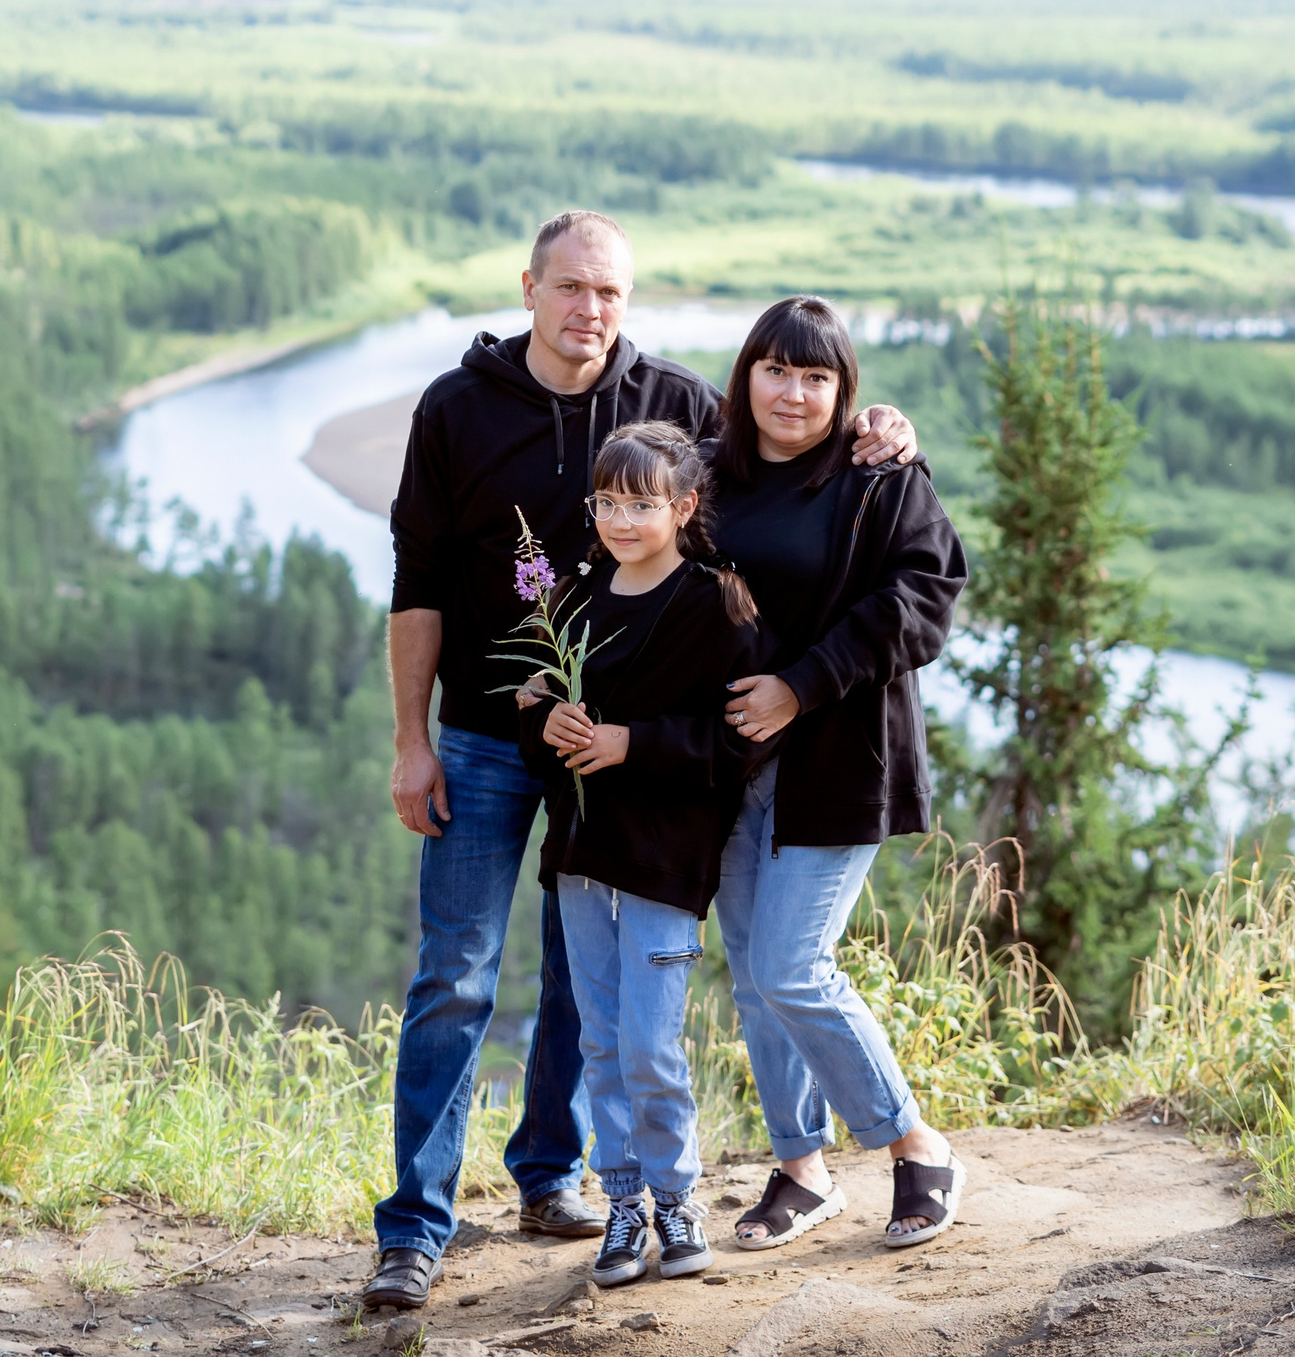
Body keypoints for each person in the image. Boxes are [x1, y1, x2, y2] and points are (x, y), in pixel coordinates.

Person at [366, 215, 918, 1311]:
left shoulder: (677, 406)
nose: (590, 309)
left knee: (589, 983)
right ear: (529, 287)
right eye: (570, 287)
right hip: (487, 735)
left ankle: (554, 1179)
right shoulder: (456, 408)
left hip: (620, 759)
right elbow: (417, 577)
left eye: (609, 291)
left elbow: (785, 449)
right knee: (456, 976)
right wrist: (412, 739)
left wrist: (882, 427)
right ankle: (416, 1229)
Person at [707, 295, 972, 1254]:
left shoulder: (879, 478)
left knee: (791, 965)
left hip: (840, 758)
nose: (793, 392)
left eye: (816, 377)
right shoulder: (709, 474)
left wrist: (801, 685)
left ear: (844, 391)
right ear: (746, 375)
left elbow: (926, 601)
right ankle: (801, 1168)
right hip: (726, 764)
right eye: (776, 370)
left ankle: (915, 1143)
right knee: (755, 979)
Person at [513, 422, 771, 1288]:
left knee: (653, 1047)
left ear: (684, 506)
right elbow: (534, 717)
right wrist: (545, 723)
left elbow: (737, 742)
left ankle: (678, 1200)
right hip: (582, 859)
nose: (621, 520)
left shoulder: (717, 603)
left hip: (664, 864)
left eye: (642, 503)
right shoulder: (573, 598)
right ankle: (623, 1206)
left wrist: (632, 744)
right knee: (601, 1042)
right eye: (607, 502)